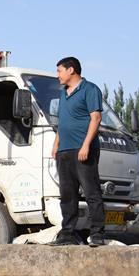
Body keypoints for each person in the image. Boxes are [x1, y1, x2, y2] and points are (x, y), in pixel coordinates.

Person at [48, 57, 106, 247]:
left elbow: (95, 118)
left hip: (83, 150)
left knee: (91, 192)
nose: (58, 75)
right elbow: (62, 122)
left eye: (59, 71)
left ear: (71, 70)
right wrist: (56, 143)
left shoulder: (90, 89)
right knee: (67, 194)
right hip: (64, 151)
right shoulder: (63, 94)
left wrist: (86, 145)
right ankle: (67, 234)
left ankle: (97, 233)